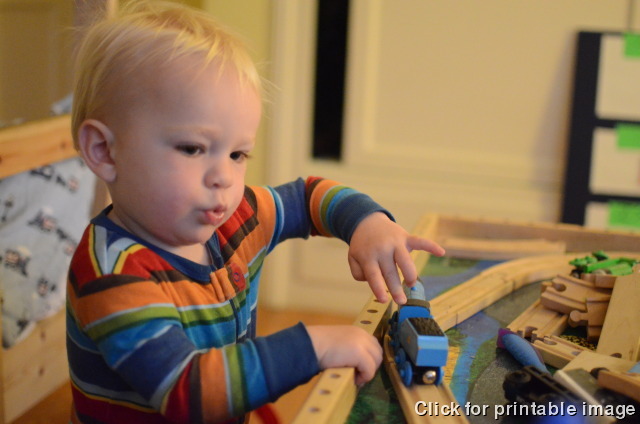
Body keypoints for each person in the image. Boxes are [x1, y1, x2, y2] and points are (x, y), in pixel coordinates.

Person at [67, 1, 445, 423]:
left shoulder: (231, 215)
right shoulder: (113, 275)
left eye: (237, 154)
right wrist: (313, 346)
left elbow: (305, 198)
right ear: (104, 151)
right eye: (192, 148)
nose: (224, 178)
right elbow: (188, 390)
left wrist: (366, 221)